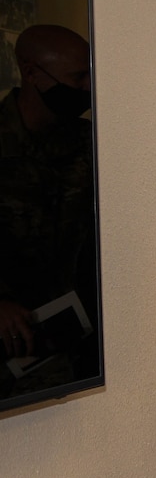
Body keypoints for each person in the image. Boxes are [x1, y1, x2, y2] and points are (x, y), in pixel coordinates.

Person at [0, 25, 96, 387]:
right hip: (14, 349)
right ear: (32, 74)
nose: (87, 87)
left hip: (82, 341)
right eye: (77, 77)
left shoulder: (89, 143)